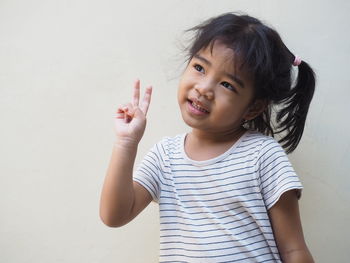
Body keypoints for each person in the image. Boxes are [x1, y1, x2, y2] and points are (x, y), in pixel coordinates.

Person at [100, 12, 315, 263]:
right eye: (199, 68)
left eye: (227, 85)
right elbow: (114, 215)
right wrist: (126, 143)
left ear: (253, 107)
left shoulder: (262, 155)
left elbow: (294, 250)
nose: (204, 88)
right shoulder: (164, 156)